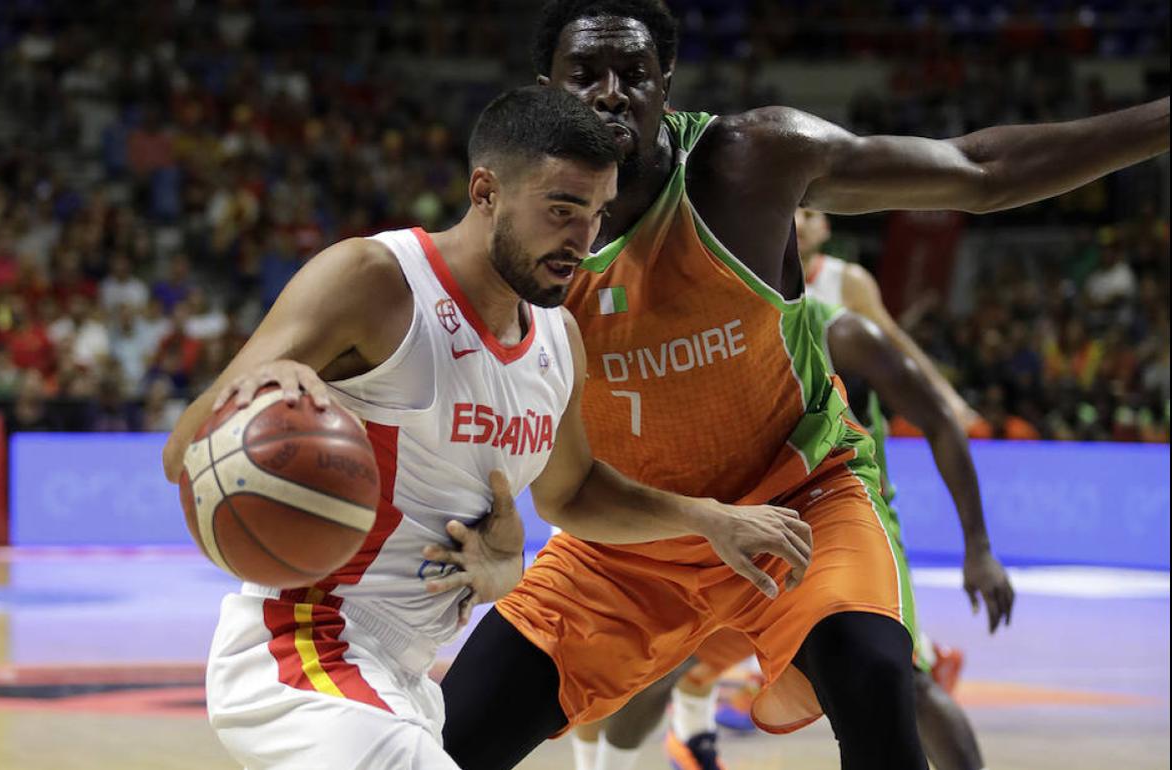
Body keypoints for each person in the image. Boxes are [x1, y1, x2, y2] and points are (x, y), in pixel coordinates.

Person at [439, 3, 1168, 770]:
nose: (611, 93)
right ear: (547, 89)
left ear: (667, 83)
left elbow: (980, 171)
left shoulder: (748, 164)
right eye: (586, 74)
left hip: (799, 505)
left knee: (879, 679)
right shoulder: (512, 236)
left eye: (634, 74)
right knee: (446, 744)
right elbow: (502, 429)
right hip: (633, 535)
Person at [161, 86, 812, 770]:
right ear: (485, 192)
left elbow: (573, 492)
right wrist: (259, 399)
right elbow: (184, 454)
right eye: (561, 209)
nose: (583, 240)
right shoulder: (377, 281)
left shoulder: (559, 340)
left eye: (597, 214)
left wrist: (707, 519)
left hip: (405, 677)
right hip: (305, 646)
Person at [573, 292, 1015, 770]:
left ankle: (692, 731)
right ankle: (680, 739)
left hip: (837, 524)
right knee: (663, 667)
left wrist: (978, 548)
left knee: (901, 682)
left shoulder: (841, 329)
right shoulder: (711, 318)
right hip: (739, 530)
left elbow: (938, 415)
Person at [796, 207, 983, 432]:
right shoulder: (766, 279)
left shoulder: (848, 279)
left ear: (826, 228)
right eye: (791, 214)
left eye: (809, 215)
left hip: (845, 418)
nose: (798, 223)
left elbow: (893, 339)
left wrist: (946, 394)